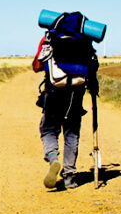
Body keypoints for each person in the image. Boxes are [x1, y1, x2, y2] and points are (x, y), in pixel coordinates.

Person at [33, 33, 97, 189]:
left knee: (48, 130)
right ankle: (69, 177)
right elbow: (93, 67)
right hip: (76, 94)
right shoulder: (84, 40)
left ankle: (53, 158)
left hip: (54, 92)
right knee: (72, 133)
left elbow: (37, 66)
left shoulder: (49, 38)